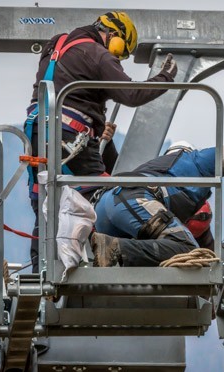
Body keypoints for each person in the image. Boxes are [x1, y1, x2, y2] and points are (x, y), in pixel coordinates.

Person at [24, 11, 179, 272]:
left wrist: (94, 124)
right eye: (121, 53)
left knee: (46, 198)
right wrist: (166, 77)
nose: (117, 59)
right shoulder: (97, 53)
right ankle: (98, 261)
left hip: (37, 132)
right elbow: (132, 95)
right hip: (69, 138)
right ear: (114, 37)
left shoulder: (57, 44)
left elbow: (70, 87)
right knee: (103, 196)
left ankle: (41, 268)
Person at [90, 142, 224, 267]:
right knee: (189, 251)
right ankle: (115, 248)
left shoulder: (158, 167)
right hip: (132, 199)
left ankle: (112, 250)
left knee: (157, 251)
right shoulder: (195, 160)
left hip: (105, 207)